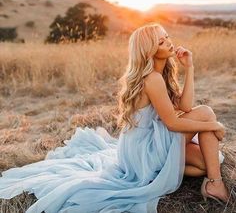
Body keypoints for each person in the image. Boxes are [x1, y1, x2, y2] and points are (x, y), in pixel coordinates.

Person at [0, 22, 229, 212]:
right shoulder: (151, 79)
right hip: (145, 149)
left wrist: (189, 68)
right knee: (207, 113)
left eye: (167, 37)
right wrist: (214, 124)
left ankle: (202, 179)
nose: (168, 42)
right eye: (161, 41)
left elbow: (186, 107)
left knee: (205, 165)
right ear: (149, 50)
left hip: (144, 146)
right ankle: (215, 184)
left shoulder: (162, 74)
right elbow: (173, 122)